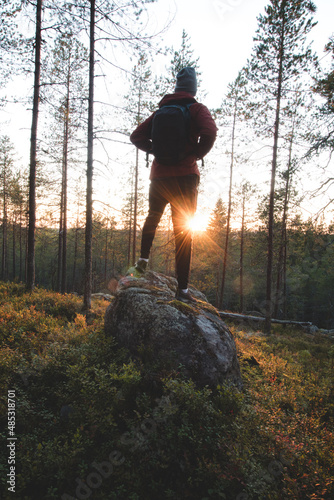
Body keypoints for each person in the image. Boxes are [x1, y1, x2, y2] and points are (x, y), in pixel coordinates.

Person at [129, 67, 217, 302]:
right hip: (185, 177)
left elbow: (135, 136)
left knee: (152, 218)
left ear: (177, 87)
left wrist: (155, 150)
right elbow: (210, 131)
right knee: (183, 231)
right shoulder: (196, 109)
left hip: (159, 177)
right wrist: (196, 155)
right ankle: (183, 290)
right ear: (193, 88)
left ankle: (141, 264)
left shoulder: (161, 112)